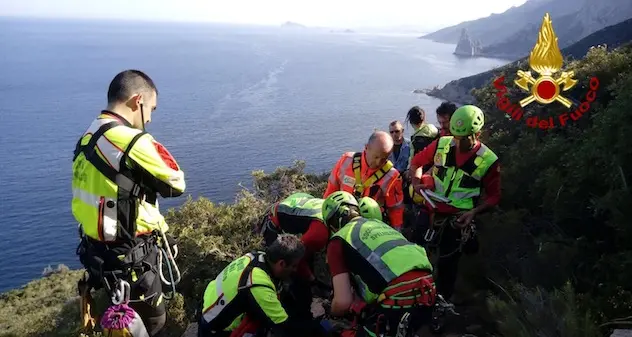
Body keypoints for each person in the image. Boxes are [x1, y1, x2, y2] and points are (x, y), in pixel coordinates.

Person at [72, 69, 186, 336]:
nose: (149, 118)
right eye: (151, 109)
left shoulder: (87, 137)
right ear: (138, 101)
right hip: (133, 259)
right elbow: (176, 183)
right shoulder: (132, 140)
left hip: (99, 257)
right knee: (152, 324)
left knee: (115, 323)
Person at [409, 104, 500, 305]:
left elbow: (493, 197)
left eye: (465, 138)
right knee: (414, 251)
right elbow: (416, 162)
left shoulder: (488, 160)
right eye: (456, 137)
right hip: (430, 208)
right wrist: (416, 182)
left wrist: (474, 212)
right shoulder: (442, 143)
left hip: (457, 219)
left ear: (478, 133)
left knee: (447, 265)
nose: (459, 143)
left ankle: (440, 304)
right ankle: (411, 294)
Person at [322, 191, 437, 337]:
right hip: (428, 290)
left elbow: (343, 302)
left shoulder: (338, 240)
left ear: (332, 224)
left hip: (397, 300)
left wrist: (332, 312)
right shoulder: (379, 224)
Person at [198, 234, 325, 337]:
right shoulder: (258, 284)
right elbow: (284, 326)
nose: (295, 270)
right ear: (281, 263)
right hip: (217, 328)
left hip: (211, 307)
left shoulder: (256, 256)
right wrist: (317, 327)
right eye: (294, 266)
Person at [324, 131, 404, 231]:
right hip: (341, 220)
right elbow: (331, 190)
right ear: (366, 148)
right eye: (376, 157)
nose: (378, 162)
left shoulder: (392, 176)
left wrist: (397, 233)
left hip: (370, 227)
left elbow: (395, 209)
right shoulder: (346, 161)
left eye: (384, 159)